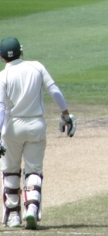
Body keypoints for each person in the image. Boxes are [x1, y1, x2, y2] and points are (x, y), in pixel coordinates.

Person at [0, 37, 76, 229]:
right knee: (33, 169)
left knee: (10, 169)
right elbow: (54, 91)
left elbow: (1, 107)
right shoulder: (36, 67)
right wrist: (65, 114)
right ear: (21, 52)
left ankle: (14, 216)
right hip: (36, 125)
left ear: (2, 57)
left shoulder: (2, 76)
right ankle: (32, 209)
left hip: (12, 128)